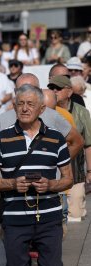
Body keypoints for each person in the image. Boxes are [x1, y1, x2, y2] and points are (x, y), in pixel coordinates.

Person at [0, 84, 73, 266]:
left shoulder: (56, 138)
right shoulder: (1, 138)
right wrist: (13, 184)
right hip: (15, 218)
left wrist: (49, 185)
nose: (24, 108)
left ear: (42, 109)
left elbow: (68, 179)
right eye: (20, 104)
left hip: (49, 218)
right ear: (14, 107)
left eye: (30, 104)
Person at [0, 73, 84, 160]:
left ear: (39, 91)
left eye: (31, 89)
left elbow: (77, 142)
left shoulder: (52, 115)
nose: (26, 94)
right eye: (22, 90)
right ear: (15, 92)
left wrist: (59, 164)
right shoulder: (2, 119)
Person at [48, 75, 91, 221]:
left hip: (75, 170)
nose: (54, 91)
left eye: (58, 88)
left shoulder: (82, 112)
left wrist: (90, 171)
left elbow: (88, 144)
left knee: (75, 215)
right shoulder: (44, 111)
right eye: (51, 88)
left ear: (69, 92)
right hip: (51, 172)